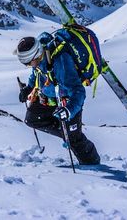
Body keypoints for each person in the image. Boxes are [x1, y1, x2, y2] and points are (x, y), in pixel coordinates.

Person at [16, 33, 100, 165]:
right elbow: (36, 73)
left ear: (36, 55)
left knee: (74, 139)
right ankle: (66, 133)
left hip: (68, 102)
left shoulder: (60, 61)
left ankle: (94, 164)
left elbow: (78, 92)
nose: (29, 66)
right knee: (31, 119)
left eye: (28, 63)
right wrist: (29, 88)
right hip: (49, 99)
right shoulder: (40, 58)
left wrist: (69, 110)